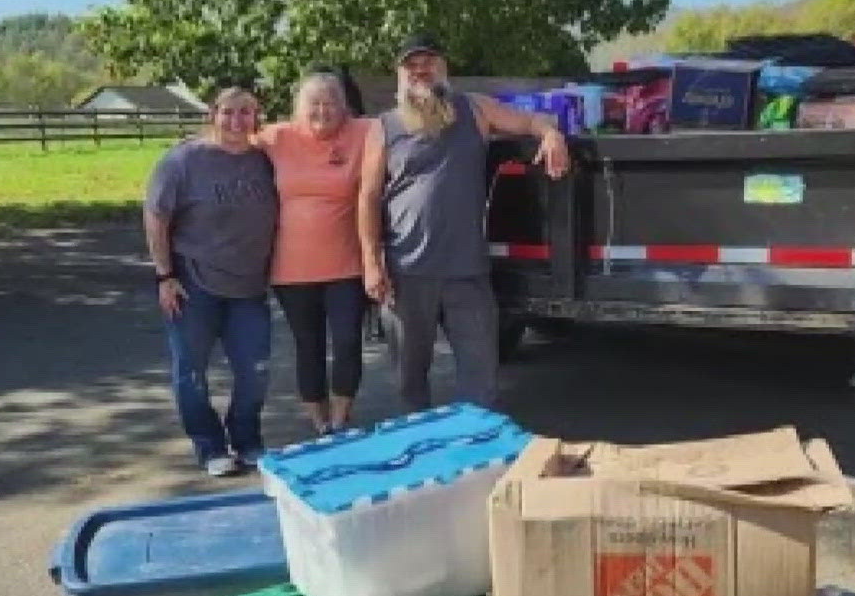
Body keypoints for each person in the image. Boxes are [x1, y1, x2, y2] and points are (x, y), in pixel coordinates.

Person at [358, 34, 571, 411]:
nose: (421, 69)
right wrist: (371, 263)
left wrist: (551, 134)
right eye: (412, 64)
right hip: (406, 272)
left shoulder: (475, 109)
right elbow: (369, 197)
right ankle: (421, 450)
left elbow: (531, 121)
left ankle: (474, 452)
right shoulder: (384, 126)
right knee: (410, 379)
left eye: (429, 61)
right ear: (400, 74)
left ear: (444, 68)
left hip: (467, 271)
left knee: (480, 376)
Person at [142, 85, 277, 477]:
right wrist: (164, 275)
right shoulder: (183, 161)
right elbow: (156, 216)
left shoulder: (265, 160)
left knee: (255, 370)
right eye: (229, 112)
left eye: (247, 112)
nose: (238, 121)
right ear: (213, 115)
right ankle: (209, 446)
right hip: (192, 283)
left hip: (249, 286)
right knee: (191, 371)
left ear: (257, 117)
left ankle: (247, 438)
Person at [257, 72, 375, 434]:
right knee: (308, 345)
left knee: (347, 340)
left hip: (347, 264)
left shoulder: (365, 132)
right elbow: (226, 139)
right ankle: (319, 420)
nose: (322, 111)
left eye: (330, 103)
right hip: (291, 269)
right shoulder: (277, 137)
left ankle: (341, 417)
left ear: (344, 107)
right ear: (299, 109)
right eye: (314, 104)